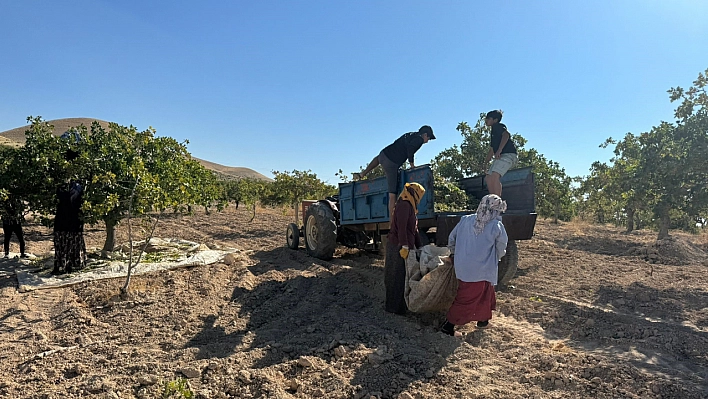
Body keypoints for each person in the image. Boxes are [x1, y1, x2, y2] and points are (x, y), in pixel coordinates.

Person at [440, 194, 508, 336]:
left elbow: (452, 238)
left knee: (485, 292)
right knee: (466, 298)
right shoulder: (496, 225)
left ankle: (483, 321)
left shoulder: (465, 220)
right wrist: (497, 258)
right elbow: (501, 247)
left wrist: (454, 254)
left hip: (463, 266)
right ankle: (448, 326)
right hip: (482, 268)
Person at [354, 126, 435, 216]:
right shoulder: (419, 140)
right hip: (391, 164)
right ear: (424, 135)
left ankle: (362, 173)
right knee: (392, 195)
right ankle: (392, 224)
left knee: (378, 158)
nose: (427, 141)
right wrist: (412, 166)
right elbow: (410, 149)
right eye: (428, 138)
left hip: (383, 154)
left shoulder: (409, 134)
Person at [384, 182, 426, 314]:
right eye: (419, 195)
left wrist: (421, 246)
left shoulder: (411, 207)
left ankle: (401, 306)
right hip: (397, 246)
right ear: (413, 193)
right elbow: (401, 228)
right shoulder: (403, 205)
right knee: (395, 277)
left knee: (404, 277)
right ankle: (393, 308)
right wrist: (404, 245)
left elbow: (414, 229)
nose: (419, 198)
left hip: (404, 246)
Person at [52, 180, 86, 274]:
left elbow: (59, 192)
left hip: (65, 224)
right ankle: (68, 266)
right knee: (70, 246)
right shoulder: (78, 191)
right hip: (72, 224)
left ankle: (63, 266)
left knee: (63, 246)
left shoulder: (64, 191)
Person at [483, 110, 518, 197]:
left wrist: (499, 150)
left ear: (495, 120)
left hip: (509, 155)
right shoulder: (493, 132)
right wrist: (485, 163)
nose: (486, 120)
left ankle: (497, 202)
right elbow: (491, 150)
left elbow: (506, 135)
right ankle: (492, 198)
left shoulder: (498, 126)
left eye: (488, 118)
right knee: (488, 178)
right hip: (502, 156)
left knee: (495, 176)